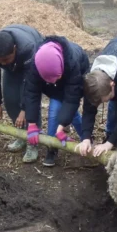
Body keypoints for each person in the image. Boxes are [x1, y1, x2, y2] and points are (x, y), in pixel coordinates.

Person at [24, 36, 88, 167]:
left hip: (74, 82)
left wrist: (61, 127)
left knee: (65, 111)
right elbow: (31, 93)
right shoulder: (35, 65)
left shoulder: (73, 61)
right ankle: (52, 148)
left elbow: (71, 98)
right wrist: (31, 122)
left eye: (57, 77)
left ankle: (86, 139)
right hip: (53, 86)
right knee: (60, 111)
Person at [0, 24, 44, 163]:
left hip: (31, 63)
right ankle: (21, 135)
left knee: (30, 106)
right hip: (14, 67)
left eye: (6, 59)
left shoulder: (28, 47)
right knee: (10, 99)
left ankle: (32, 141)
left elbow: (30, 86)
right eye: (0, 61)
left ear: (14, 49)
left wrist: (24, 109)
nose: (3, 63)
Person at [77, 35, 117, 158]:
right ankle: (111, 135)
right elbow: (88, 111)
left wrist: (109, 143)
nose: (105, 102)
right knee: (113, 104)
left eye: (106, 99)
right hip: (115, 50)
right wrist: (86, 138)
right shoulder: (91, 81)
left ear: (112, 84)